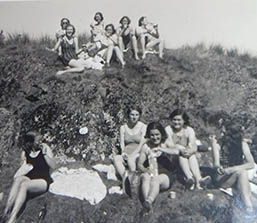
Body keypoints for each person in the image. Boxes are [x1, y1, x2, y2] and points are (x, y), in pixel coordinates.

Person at [4, 131, 56, 223]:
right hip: (30, 177)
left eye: (41, 140)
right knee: (18, 180)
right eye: (38, 141)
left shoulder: (45, 148)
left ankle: (13, 218)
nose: (40, 142)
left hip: (43, 180)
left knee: (24, 185)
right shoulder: (25, 153)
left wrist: (44, 154)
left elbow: (53, 165)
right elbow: (24, 168)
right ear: (30, 143)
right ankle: (6, 211)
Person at [209, 122, 255, 215]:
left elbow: (251, 164)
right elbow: (216, 164)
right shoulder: (217, 144)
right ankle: (248, 205)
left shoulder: (242, 144)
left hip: (235, 174)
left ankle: (247, 206)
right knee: (242, 173)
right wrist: (219, 168)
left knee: (242, 173)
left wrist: (232, 169)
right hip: (222, 178)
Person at [138, 122, 178, 214]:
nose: (155, 137)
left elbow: (177, 151)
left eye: (157, 134)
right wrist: (145, 170)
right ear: (148, 135)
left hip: (165, 175)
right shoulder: (146, 146)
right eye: (152, 135)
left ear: (161, 134)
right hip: (151, 172)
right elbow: (139, 164)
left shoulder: (165, 143)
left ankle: (149, 200)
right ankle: (147, 205)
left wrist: (161, 149)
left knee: (156, 179)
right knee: (144, 177)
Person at [165, 109, 209, 190]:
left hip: (187, 155)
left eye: (179, 120)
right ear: (171, 120)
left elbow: (193, 144)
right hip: (173, 156)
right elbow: (169, 144)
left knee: (191, 155)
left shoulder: (189, 130)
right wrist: (180, 148)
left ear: (184, 120)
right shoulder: (168, 129)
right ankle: (190, 178)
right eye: (174, 120)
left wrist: (189, 151)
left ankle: (197, 180)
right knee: (182, 154)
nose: (176, 122)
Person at [113, 106, 146, 182]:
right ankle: (126, 180)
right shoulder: (123, 128)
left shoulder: (143, 127)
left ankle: (134, 181)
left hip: (138, 153)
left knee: (131, 159)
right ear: (128, 115)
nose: (134, 117)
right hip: (126, 152)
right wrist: (123, 153)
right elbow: (122, 143)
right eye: (132, 115)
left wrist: (133, 154)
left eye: (136, 115)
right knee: (116, 158)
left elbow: (141, 144)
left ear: (139, 115)